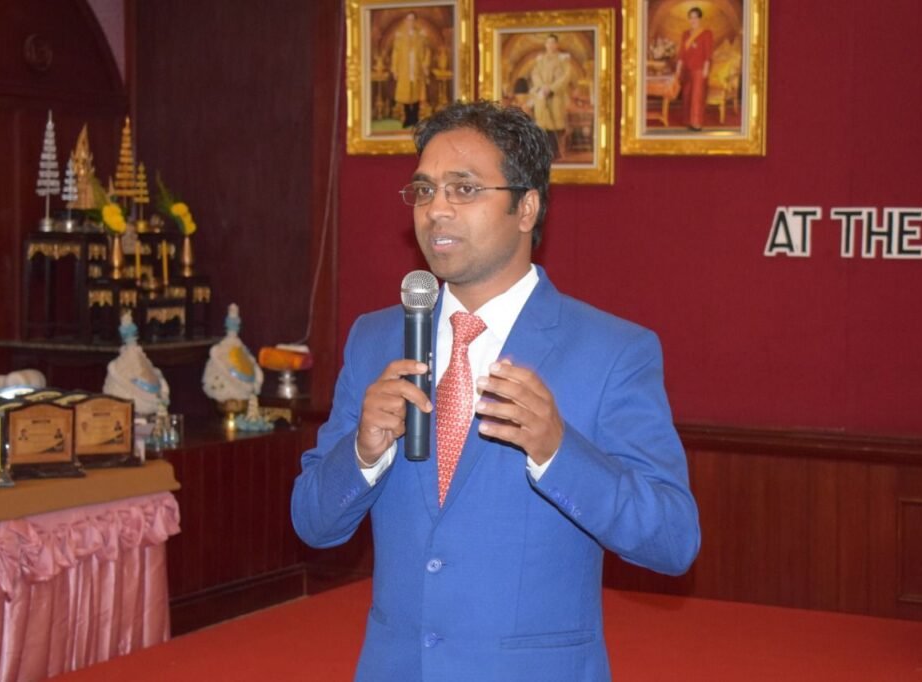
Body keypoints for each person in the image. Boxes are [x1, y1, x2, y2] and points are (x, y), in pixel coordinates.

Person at [291, 100, 700, 682]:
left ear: (525, 207)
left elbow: (674, 540)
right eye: (424, 190)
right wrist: (361, 453)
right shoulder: (376, 339)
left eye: (464, 189)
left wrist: (559, 452)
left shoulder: (613, 352)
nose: (436, 210)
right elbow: (312, 522)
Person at [529, 34, 571, 159]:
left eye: (553, 43)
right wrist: (542, 87)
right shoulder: (540, 60)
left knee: (557, 123)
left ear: (557, 45)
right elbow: (535, 74)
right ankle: (544, 153)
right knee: (543, 122)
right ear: (545, 45)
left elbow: (566, 76)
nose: (550, 45)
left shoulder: (563, 60)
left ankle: (558, 152)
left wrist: (551, 88)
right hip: (542, 95)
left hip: (556, 96)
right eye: (548, 43)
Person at [673, 6, 713, 131]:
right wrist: (678, 69)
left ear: (700, 18)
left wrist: (706, 69)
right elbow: (681, 54)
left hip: (699, 70)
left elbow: (708, 53)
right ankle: (689, 121)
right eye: (690, 17)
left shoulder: (706, 33)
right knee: (687, 95)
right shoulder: (685, 34)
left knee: (697, 97)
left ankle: (697, 123)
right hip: (687, 70)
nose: (693, 20)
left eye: (695, 17)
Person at [390, 11, 430, 128]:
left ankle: (415, 118)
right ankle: (407, 118)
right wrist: (395, 69)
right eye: (408, 19)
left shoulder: (421, 36)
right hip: (404, 68)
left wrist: (425, 65)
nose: (410, 22)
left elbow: (427, 51)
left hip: (417, 68)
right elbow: (395, 53)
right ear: (405, 21)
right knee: (406, 93)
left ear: (415, 21)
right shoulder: (400, 36)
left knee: (416, 92)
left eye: (412, 19)